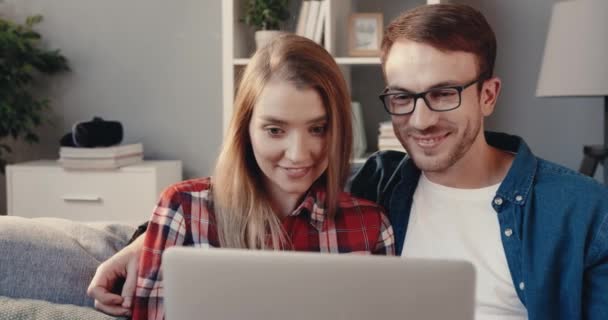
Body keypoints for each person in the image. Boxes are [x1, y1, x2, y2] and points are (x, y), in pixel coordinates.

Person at [89, 4, 608, 320]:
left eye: (445, 93)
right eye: (403, 97)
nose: (421, 120)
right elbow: (256, 194)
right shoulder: (379, 184)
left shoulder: (582, 210)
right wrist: (139, 240)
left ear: (488, 94)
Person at [87, 34, 395, 319]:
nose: (299, 154)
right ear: (244, 130)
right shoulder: (184, 210)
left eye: (318, 129)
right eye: (275, 130)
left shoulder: (370, 225)